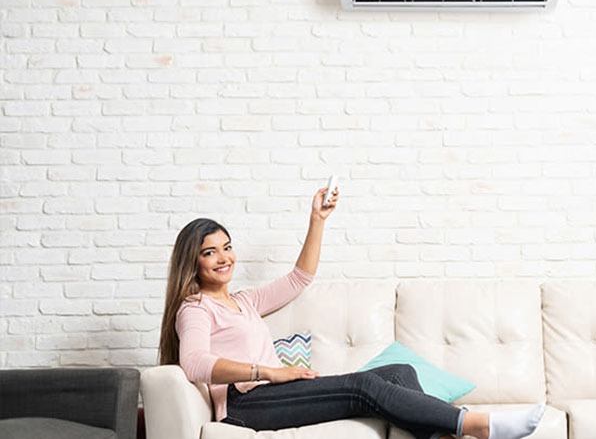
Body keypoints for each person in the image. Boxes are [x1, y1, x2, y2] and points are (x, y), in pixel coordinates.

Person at [158, 185, 544, 439]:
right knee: (363, 387)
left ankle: (443, 435)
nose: (224, 258)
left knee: (399, 372)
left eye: (227, 247)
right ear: (193, 262)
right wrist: (269, 372)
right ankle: (474, 424)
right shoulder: (195, 308)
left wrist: (317, 220)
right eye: (210, 252)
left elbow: (300, 277)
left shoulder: (243, 300)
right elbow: (194, 363)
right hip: (246, 404)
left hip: (276, 391)